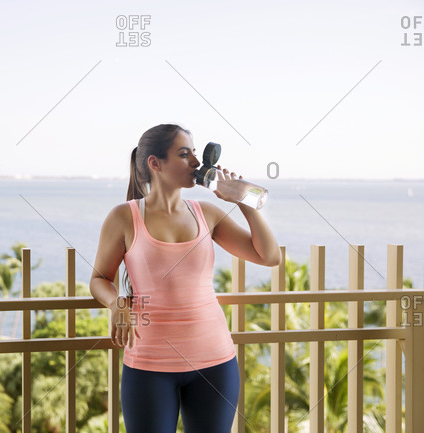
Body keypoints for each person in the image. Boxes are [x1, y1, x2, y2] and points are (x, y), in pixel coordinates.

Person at [89, 124, 281, 433]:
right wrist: (116, 303)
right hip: (149, 365)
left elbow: (269, 256)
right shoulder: (124, 217)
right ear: (155, 164)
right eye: (184, 154)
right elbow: (99, 278)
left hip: (215, 361)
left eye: (195, 153)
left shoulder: (207, 213)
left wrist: (243, 201)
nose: (196, 162)